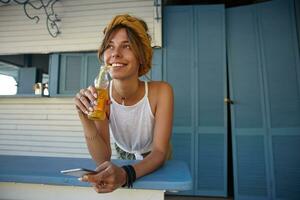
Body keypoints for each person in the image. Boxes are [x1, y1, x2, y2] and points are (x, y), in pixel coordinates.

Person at [74, 14, 174, 193]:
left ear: (141, 56)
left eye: (126, 46)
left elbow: (159, 152)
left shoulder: (162, 92)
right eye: (109, 46)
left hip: (155, 158)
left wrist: (126, 174)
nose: (115, 54)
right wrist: (86, 119)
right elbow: (103, 158)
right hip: (123, 155)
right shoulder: (102, 95)